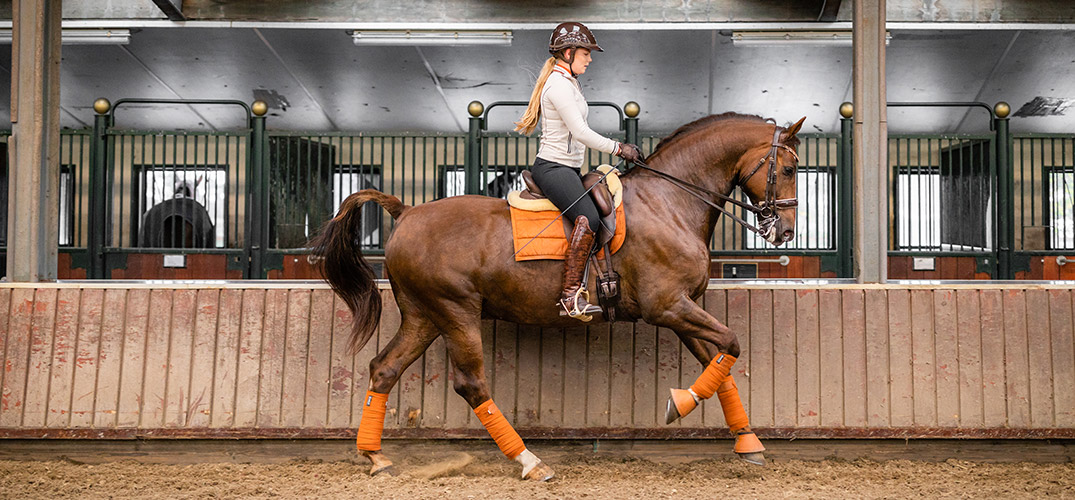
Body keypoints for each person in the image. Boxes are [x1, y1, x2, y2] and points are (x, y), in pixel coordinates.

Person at [514, 21, 643, 321]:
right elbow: (581, 132)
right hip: (552, 169)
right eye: (586, 53)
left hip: (569, 168)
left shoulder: (569, 82)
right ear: (569, 53)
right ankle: (570, 297)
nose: (590, 59)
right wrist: (619, 148)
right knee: (589, 217)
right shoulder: (559, 85)